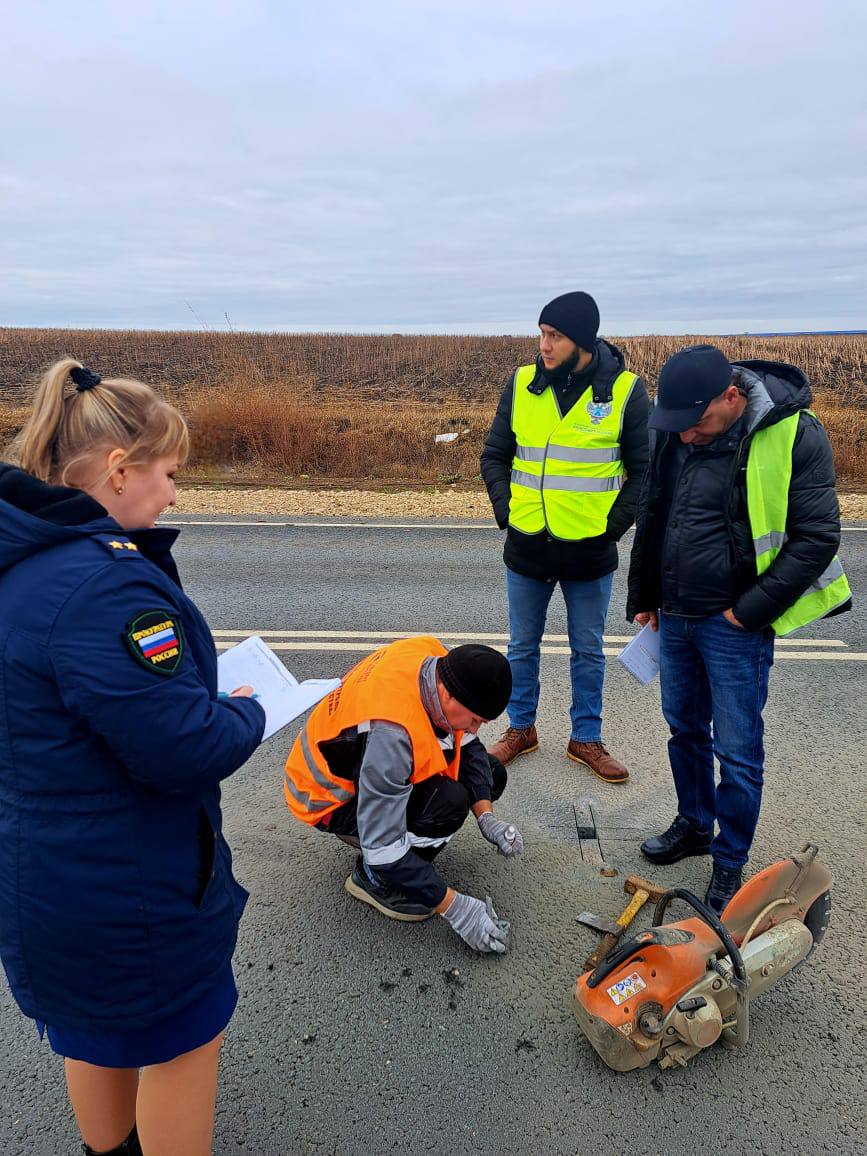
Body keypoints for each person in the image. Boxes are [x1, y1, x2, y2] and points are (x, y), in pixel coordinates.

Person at [0, 360, 266, 1156]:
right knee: (182, 1047)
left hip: (42, 866)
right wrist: (245, 713)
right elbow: (181, 748)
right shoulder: (104, 588)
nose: (175, 494)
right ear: (120, 470)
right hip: (128, 885)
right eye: (171, 473)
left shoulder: (19, 559)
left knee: (91, 1033)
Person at [627, 344, 851, 912]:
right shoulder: (679, 428)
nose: (686, 438)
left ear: (732, 397)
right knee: (684, 729)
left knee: (738, 750)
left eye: (696, 424)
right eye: (677, 427)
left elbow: (816, 538)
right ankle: (695, 824)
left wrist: (747, 612)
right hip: (675, 616)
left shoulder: (794, 433)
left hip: (735, 624)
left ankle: (729, 862)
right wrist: (647, 594)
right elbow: (656, 513)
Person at [481, 291, 650, 782]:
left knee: (588, 650)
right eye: (541, 333)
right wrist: (506, 510)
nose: (544, 345)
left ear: (582, 340)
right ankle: (520, 729)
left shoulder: (624, 391)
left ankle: (586, 738)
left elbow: (645, 472)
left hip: (589, 551)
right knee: (521, 647)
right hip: (527, 543)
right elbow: (495, 455)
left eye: (554, 335)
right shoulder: (522, 384)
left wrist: (611, 529)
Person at [283, 637, 522, 953]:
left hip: (363, 762)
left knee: (491, 774)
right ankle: (373, 879)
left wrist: (487, 817)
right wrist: (456, 908)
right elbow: (383, 847)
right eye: (475, 718)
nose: (476, 728)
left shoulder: (435, 660)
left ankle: (408, 860)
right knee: (447, 805)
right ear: (448, 693)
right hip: (326, 798)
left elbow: (469, 748)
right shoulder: (391, 738)